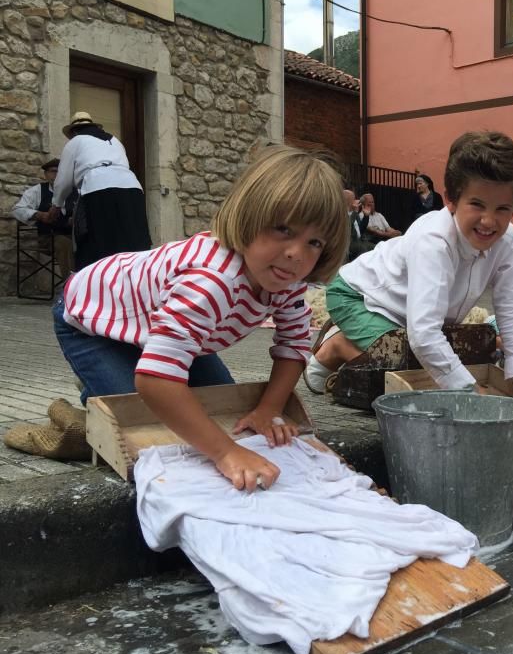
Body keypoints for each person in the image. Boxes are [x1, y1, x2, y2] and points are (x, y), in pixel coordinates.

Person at [53, 146, 348, 492]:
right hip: (92, 319)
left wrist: (270, 408)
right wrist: (226, 453)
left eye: (314, 242)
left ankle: (141, 361)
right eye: (283, 229)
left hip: (172, 327)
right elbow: (157, 381)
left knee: (211, 407)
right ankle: (89, 400)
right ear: (249, 216)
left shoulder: (288, 280)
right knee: (142, 412)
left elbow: (295, 344)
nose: (296, 254)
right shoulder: (211, 283)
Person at [305, 131, 513, 438]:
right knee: (408, 373)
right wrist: (473, 396)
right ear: (451, 200)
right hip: (357, 295)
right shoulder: (434, 240)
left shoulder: (508, 242)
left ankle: (368, 346)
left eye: (502, 209)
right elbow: (425, 336)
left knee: (447, 362)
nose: (489, 221)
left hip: (413, 318)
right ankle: (336, 347)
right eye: (477, 204)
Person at [53, 111, 152, 270]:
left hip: (98, 188)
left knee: (99, 241)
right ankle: (134, 281)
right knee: (132, 239)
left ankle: (96, 282)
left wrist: (56, 204)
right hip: (132, 188)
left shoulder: (75, 141)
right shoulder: (115, 140)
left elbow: (63, 180)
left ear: (74, 131)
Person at [12, 158, 76, 278]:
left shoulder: (75, 191)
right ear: (46, 175)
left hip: (75, 236)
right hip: (48, 238)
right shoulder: (37, 191)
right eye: (53, 171)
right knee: (64, 243)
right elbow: (17, 209)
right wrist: (39, 215)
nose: (57, 175)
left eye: (61, 172)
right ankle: (71, 286)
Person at [345, 189, 373, 261]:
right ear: (348, 201)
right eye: (353, 199)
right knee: (363, 249)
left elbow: (360, 230)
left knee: (376, 247)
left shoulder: (355, 213)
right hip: (349, 242)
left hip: (359, 241)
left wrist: (366, 216)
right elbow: (348, 229)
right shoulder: (342, 214)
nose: (356, 200)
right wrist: (354, 212)